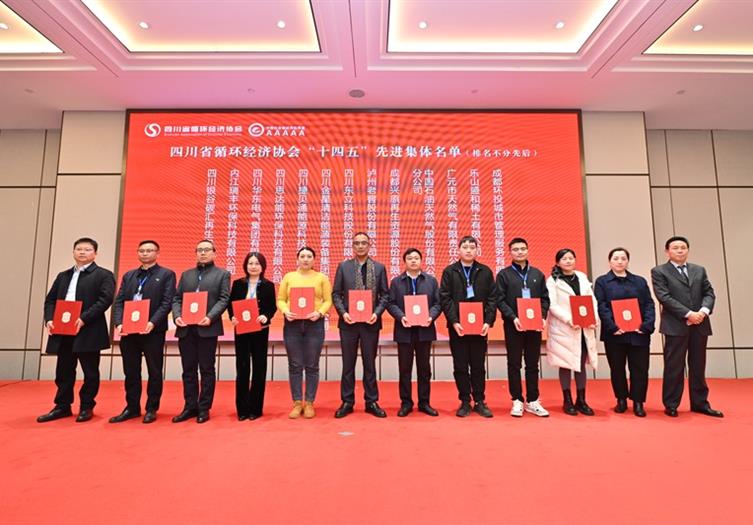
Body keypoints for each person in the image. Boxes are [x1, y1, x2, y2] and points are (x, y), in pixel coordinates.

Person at [38, 237, 115, 423]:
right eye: (79, 249)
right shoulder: (63, 276)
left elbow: (105, 300)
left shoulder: (103, 275)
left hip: (89, 329)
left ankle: (86, 406)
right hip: (63, 329)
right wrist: (49, 319)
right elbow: (50, 300)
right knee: (63, 370)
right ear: (73, 252)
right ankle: (62, 406)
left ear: (95, 254)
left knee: (90, 372)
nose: (82, 252)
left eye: (87, 249)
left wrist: (83, 318)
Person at [651, 236, 722, 417]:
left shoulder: (699, 270)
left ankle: (700, 403)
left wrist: (703, 312)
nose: (680, 250)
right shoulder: (659, 271)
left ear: (688, 250)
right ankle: (671, 404)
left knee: (698, 366)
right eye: (675, 248)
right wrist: (689, 314)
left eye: (683, 247)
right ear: (667, 251)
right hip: (675, 325)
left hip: (700, 324)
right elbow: (664, 297)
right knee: (674, 366)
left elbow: (709, 293)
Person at [110, 240, 176, 424]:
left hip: (152, 331)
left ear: (157, 253)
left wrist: (152, 322)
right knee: (131, 371)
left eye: (149, 250)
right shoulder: (129, 275)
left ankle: (151, 408)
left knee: (154, 371)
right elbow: (119, 301)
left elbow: (167, 302)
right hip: (128, 331)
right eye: (142, 250)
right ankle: (131, 407)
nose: (145, 253)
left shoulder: (166, 274)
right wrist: (119, 323)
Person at [172, 239, 230, 424]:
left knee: (207, 369)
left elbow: (224, 299)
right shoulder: (186, 275)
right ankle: (190, 406)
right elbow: (177, 299)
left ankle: (204, 407)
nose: (203, 253)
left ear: (214, 253)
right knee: (188, 370)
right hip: (186, 329)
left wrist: (210, 317)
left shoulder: (222, 274)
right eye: (199, 250)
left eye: (206, 250)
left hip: (208, 328)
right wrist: (177, 316)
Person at [332, 232, 390, 418]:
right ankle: (347, 402)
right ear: (352, 246)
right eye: (356, 243)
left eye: (363, 243)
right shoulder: (343, 267)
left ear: (369, 245)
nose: (360, 246)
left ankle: (371, 401)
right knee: (348, 364)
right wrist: (344, 313)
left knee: (369, 364)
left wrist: (376, 313)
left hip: (370, 323)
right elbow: (336, 294)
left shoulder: (379, 268)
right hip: (348, 323)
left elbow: (385, 295)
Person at [439, 236, 498, 418]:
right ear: (458, 250)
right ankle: (465, 401)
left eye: (472, 247)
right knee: (460, 365)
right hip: (458, 328)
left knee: (478, 365)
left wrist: (488, 321)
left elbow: (492, 298)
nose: (469, 250)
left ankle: (479, 401)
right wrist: (454, 321)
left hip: (480, 327)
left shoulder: (485, 271)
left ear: (477, 250)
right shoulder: (450, 271)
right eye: (465, 247)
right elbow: (445, 298)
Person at [594, 247, 655, 417]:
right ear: (609, 261)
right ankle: (621, 400)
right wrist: (612, 326)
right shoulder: (602, 282)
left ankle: (638, 402)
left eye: (623, 258)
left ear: (628, 261)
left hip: (638, 333)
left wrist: (646, 326)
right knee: (617, 368)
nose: (620, 261)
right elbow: (601, 305)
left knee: (640, 369)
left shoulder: (639, 281)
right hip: (614, 334)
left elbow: (649, 304)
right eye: (616, 258)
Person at [495, 237, 550, 418]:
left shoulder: (537, 274)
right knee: (514, 364)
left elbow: (545, 299)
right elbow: (500, 300)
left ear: (527, 250)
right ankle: (517, 400)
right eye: (516, 249)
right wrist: (513, 317)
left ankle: (533, 400)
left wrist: (542, 316)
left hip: (534, 326)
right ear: (510, 252)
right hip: (514, 326)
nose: (520, 252)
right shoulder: (504, 275)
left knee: (532, 364)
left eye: (523, 249)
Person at [277, 246, 332, 419]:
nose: (306, 259)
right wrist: (285, 311)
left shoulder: (321, 278)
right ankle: (296, 402)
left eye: (309, 256)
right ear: (297, 259)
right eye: (302, 256)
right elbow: (281, 299)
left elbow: (328, 300)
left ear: (314, 260)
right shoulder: (289, 277)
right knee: (294, 364)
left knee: (312, 365)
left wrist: (320, 313)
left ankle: (309, 402)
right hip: (292, 324)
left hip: (314, 324)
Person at [387, 248, 442, 417]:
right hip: (404, 330)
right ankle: (406, 403)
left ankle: (424, 402)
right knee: (405, 369)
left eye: (416, 258)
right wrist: (401, 317)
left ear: (421, 260)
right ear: (404, 262)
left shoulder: (431, 281)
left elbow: (438, 303)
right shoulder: (396, 282)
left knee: (424, 368)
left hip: (425, 330)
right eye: (410, 258)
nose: (413, 261)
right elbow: (391, 303)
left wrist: (431, 317)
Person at [545, 248, 598, 416]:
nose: (568, 261)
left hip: (583, 327)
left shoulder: (582, 276)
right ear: (558, 262)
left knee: (580, 364)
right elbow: (552, 305)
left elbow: (592, 300)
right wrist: (569, 319)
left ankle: (581, 400)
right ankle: (567, 400)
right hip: (564, 328)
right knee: (565, 363)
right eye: (564, 259)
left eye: (571, 258)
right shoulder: (552, 280)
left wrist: (594, 318)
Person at [228, 251, 276, 421]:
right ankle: (242, 409)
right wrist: (232, 317)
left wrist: (266, 316)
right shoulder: (238, 284)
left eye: (257, 263)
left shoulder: (268, 285)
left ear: (262, 266)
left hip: (260, 330)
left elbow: (272, 307)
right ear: (245, 266)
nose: (253, 266)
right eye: (250, 263)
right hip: (241, 329)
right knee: (242, 368)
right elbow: (230, 305)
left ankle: (255, 408)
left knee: (259, 368)